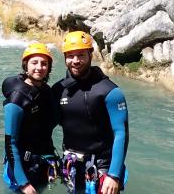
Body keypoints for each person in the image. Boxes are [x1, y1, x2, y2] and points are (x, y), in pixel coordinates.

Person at [52, 31, 129, 194]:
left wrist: (113, 175)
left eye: (81, 55)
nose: (75, 61)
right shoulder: (59, 90)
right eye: (70, 56)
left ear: (90, 54)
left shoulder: (110, 91)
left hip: (102, 168)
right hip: (72, 165)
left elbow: (121, 133)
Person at [2, 43, 59, 194]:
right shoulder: (16, 99)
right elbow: (10, 143)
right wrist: (23, 183)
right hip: (22, 169)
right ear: (25, 66)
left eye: (44, 63)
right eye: (34, 63)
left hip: (42, 163)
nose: (39, 67)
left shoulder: (46, 91)